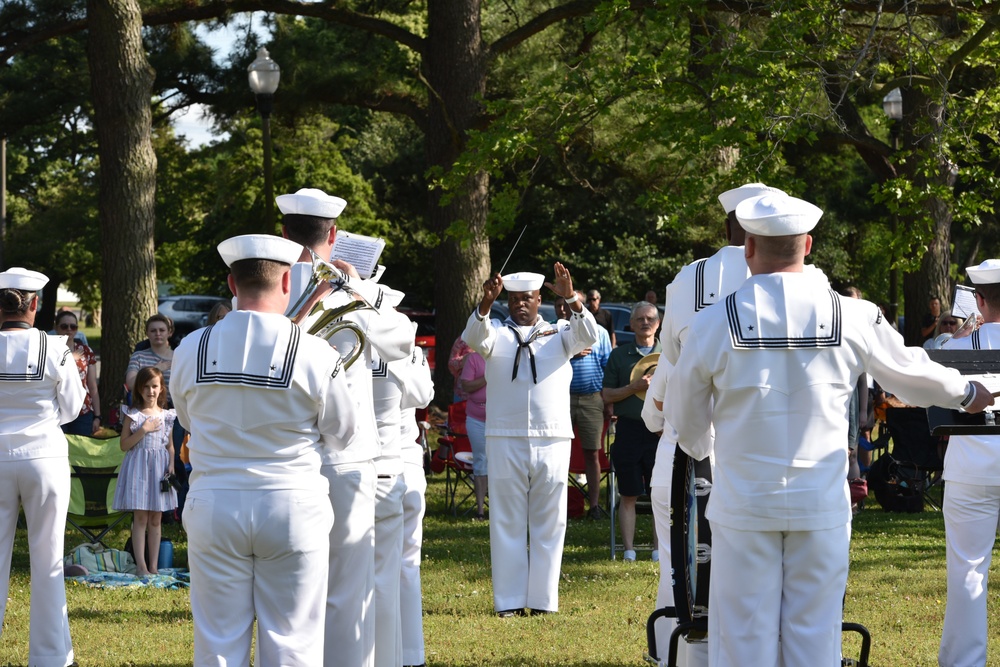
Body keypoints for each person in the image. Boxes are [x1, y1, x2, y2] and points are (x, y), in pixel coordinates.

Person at [665, 192, 993, 667]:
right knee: (815, 637)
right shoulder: (852, 315)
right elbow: (910, 372)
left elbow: (685, 417)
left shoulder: (711, 323)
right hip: (819, 501)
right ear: (809, 245)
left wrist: (704, 450)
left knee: (741, 639)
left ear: (748, 249)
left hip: (744, 502)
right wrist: (967, 393)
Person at [171, 234, 357, 666]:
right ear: (288, 281)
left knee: (217, 642)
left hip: (214, 503)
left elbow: (186, 420)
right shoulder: (316, 353)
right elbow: (344, 433)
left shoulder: (189, 347)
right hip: (292, 505)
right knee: (293, 644)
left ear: (232, 285)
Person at [646, 181, 783, 666]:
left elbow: (671, 364)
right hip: (763, 447)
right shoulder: (794, 281)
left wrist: (655, 411)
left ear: (727, 225)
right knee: (756, 573)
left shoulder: (690, 278)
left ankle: (677, 657)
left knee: (679, 567)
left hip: (689, 443)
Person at [278, 186, 414, 667]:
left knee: (290, 591)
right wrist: (361, 289)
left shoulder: (266, 285)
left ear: (282, 232)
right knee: (349, 589)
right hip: (348, 458)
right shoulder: (347, 288)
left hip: (285, 457)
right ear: (333, 234)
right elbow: (402, 342)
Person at [462, 265, 599, 616]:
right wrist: (485, 303)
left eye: (528, 298)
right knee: (506, 519)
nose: (521, 304)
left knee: (549, 520)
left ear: (540, 300)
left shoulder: (561, 332)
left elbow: (590, 336)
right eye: (515, 299)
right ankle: (508, 601)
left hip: (551, 436)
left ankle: (542, 600)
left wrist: (571, 297)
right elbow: (473, 338)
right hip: (504, 435)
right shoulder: (496, 332)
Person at [0, 267, 85, 667]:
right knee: (48, 557)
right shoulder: (56, 348)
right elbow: (70, 408)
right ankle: (50, 658)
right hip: (43, 458)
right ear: (34, 304)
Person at [939, 258, 1000, 667]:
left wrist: (962, 331)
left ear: (978, 299)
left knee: (967, 571)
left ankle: (964, 662)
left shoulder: (953, 349)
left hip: (971, 470)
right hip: (973, 470)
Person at [602, 301, 661, 561]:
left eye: (650, 318)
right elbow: (606, 395)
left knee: (661, 494)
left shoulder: (671, 354)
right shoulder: (619, 355)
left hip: (661, 431)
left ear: (658, 323)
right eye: (639, 319)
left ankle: (660, 551)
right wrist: (634, 386)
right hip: (628, 429)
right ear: (632, 324)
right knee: (628, 493)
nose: (645, 323)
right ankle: (628, 550)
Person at [112, 366, 177, 576]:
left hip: (159, 470)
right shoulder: (133, 415)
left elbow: (169, 445)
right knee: (140, 518)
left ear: (161, 388)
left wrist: (172, 464)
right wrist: (143, 430)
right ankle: (141, 566)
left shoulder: (167, 416)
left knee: (156, 519)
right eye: (146, 387)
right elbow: (124, 445)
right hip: (139, 469)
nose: (150, 391)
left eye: (154, 386)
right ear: (139, 389)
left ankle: (154, 566)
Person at [558, 292, 612, 519]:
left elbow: (608, 367)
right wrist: (571, 353)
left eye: (569, 304)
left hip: (592, 399)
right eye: (560, 305)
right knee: (558, 452)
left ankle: (595, 506)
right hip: (561, 398)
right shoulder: (557, 331)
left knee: (592, 453)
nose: (564, 310)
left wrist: (608, 402)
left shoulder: (599, 333)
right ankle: (556, 505)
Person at [398, 345, 434, 667]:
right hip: (400, 462)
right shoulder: (407, 347)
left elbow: (423, 396)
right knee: (406, 565)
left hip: (381, 461)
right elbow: (423, 394)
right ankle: (410, 655)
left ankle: (403, 653)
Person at [55, 310, 102, 436]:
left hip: (83, 411)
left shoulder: (85, 351)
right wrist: (70, 358)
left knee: (81, 453)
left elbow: (92, 385)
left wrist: (97, 416)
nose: (69, 330)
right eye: (64, 326)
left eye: (73, 326)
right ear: (56, 328)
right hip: (56, 411)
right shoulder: (50, 351)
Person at [459, 350, 489, 519]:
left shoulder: (503, 357)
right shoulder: (474, 359)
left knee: (501, 461)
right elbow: (466, 385)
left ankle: (501, 508)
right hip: (476, 419)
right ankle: (480, 511)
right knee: (481, 461)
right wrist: (487, 377)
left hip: (499, 418)